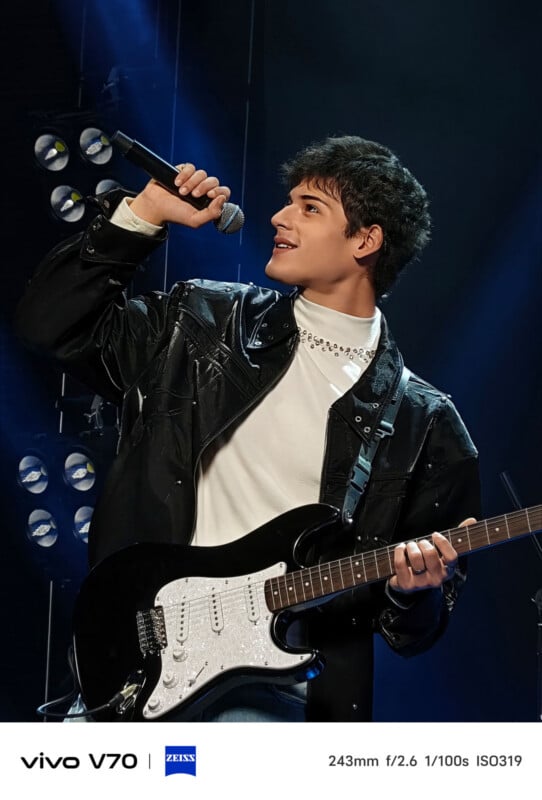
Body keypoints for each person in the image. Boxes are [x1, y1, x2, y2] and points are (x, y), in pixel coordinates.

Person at [15, 135, 480, 722]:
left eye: (310, 207)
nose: (280, 217)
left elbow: (412, 631)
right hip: (136, 668)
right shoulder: (201, 322)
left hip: (276, 694)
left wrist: (414, 592)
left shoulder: (424, 423)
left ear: (366, 240)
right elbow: (48, 326)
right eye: (288, 202)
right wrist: (143, 213)